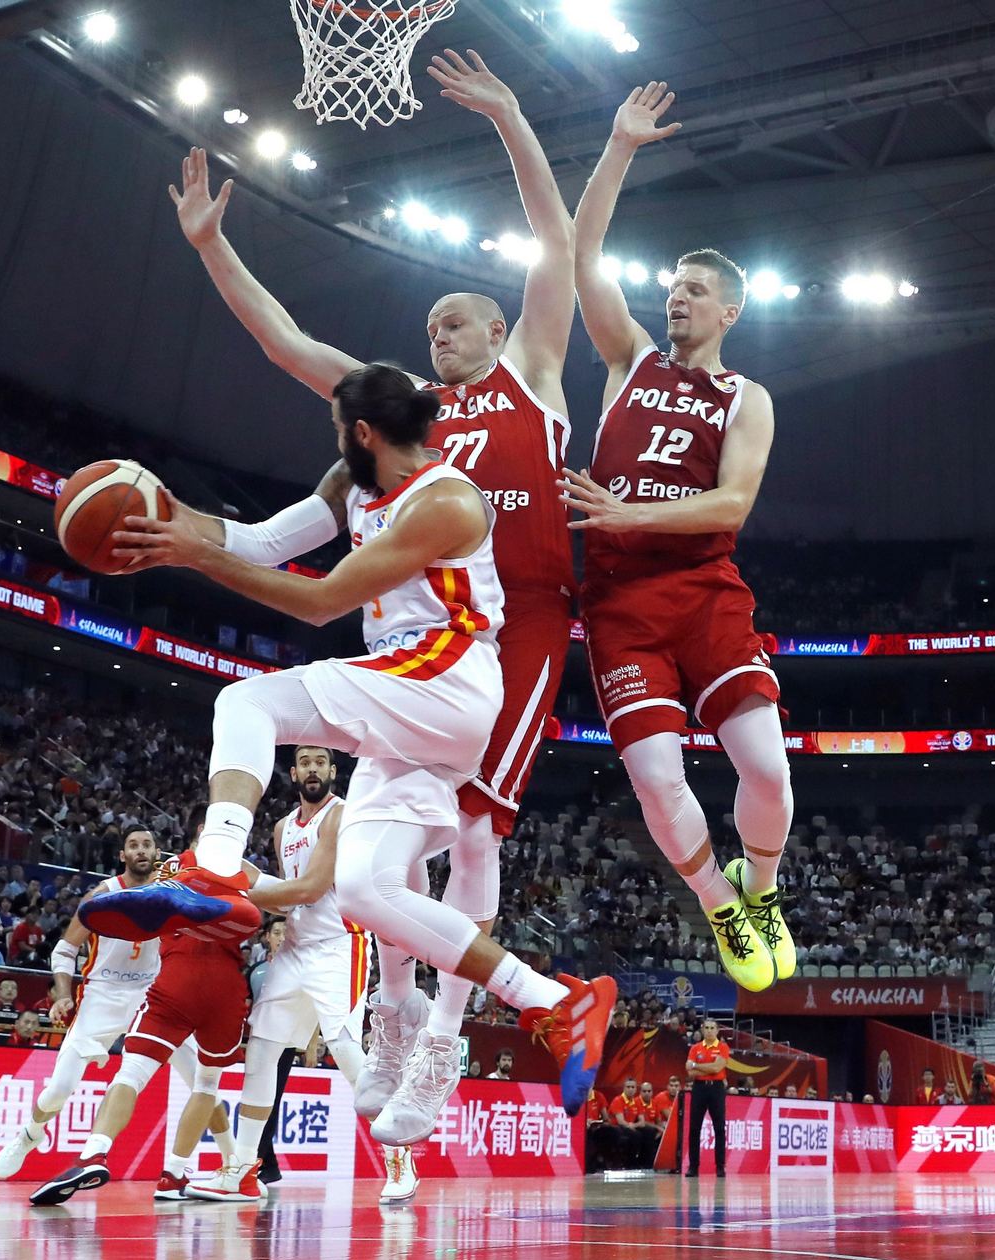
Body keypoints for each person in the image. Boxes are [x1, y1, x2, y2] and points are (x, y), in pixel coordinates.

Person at [171, 49, 580, 1054]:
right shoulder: (389, 434)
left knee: (475, 827)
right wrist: (213, 250)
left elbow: (557, 249)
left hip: (497, 628)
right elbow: (286, 342)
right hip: (426, 651)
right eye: (428, 324)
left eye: (458, 320)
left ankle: (430, 1032)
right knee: (363, 884)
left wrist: (510, 119)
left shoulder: (520, 382)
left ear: (496, 329)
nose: (439, 330)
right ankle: (525, 998)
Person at [100, 365, 617, 1143]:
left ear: (362, 431)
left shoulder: (444, 500)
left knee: (247, 701)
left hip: (443, 675)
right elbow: (264, 542)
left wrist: (191, 557)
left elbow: (319, 601)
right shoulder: (354, 477)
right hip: (409, 709)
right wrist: (179, 520)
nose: (335, 439)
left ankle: (215, 861)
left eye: (338, 427)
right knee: (367, 893)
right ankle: (554, 1001)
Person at [560, 81, 794, 993]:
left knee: (767, 769)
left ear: (729, 309)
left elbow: (731, 505)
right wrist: (619, 146)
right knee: (659, 780)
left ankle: (762, 887)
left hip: (703, 587)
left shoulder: (747, 397)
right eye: (672, 289)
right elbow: (582, 256)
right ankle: (716, 899)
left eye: (693, 292)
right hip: (620, 603)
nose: (676, 301)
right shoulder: (628, 362)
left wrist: (628, 513)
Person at [187, 746, 415, 1204]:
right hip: (293, 948)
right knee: (261, 1055)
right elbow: (284, 896)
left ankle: (399, 1155)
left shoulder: (340, 815)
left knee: (349, 1054)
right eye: (304, 762)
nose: (312, 768)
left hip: (338, 945)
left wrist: (234, 883)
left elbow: (309, 889)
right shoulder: (280, 828)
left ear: (332, 770)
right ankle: (242, 1169)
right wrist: (233, 874)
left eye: (320, 761)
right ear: (293, 773)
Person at [0, 826, 237, 1204]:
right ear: (122, 855)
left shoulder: (172, 886)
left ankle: (231, 1161)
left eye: (147, 845)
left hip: (154, 993)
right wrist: (61, 994)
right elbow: (63, 950)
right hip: (102, 994)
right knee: (58, 1089)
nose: (141, 850)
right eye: (133, 846)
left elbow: (199, 865)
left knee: (202, 1080)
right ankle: (30, 1134)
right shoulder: (103, 895)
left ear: (157, 852)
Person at [685, 1018, 729, 1178]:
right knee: (695, 1128)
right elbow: (689, 1072)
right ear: (702, 1030)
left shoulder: (723, 1047)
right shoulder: (695, 1048)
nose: (709, 1031)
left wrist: (697, 1066)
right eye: (707, 1028)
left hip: (716, 1089)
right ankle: (693, 1167)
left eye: (712, 1028)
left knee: (719, 1128)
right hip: (699, 1089)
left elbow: (718, 1067)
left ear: (717, 1031)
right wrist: (708, 1069)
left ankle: (720, 1167)